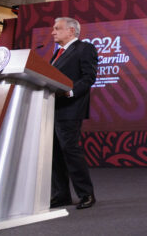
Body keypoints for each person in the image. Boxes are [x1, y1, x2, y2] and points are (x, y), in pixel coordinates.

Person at [49, 17, 98, 210]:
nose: (53, 32)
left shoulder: (84, 48)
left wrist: (70, 91)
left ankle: (86, 194)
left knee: (70, 151)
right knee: (54, 154)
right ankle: (61, 195)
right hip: (51, 108)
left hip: (70, 108)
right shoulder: (57, 53)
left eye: (57, 28)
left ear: (71, 31)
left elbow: (89, 77)